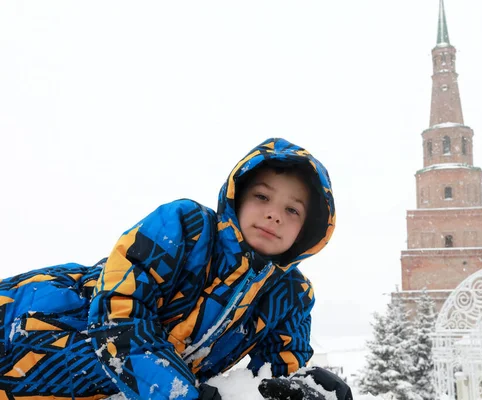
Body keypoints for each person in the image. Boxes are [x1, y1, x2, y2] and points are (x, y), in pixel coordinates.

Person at [0, 138, 351, 400]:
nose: (274, 213)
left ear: (307, 231)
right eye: (262, 197)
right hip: (27, 328)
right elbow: (118, 319)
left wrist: (303, 387)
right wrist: (183, 394)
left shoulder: (290, 294)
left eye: (293, 210)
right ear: (237, 199)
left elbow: (274, 376)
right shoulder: (185, 228)